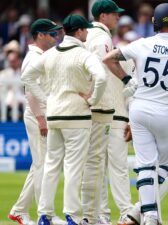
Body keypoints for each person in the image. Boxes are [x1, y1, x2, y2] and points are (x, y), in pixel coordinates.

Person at [103, 3, 168, 225]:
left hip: (140, 109)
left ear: (155, 22)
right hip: (167, 112)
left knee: (145, 164)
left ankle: (149, 216)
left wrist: (128, 80)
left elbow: (108, 59)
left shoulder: (142, 44)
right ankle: (146, 212)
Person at [21, 14, 108, 225]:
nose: (87, 32)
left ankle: (45, 214)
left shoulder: (50, 54)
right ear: (78, 32)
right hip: (77, 116)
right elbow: (102, 77)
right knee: (73, 167)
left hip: (55, 115)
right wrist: (92, 99)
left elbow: (27, 78)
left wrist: (47, 100)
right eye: (85, 30)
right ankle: (72, 214)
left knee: (51, 166)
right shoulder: (83, 54)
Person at [7, 18, 66, 225]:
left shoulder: (42, 55)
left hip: (40, 114)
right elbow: (29, 89)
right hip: (37, 115)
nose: (56, 37)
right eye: (52, 34)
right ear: (40, 35)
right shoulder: (34, 58)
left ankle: (19, 210)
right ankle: (46, 215)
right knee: (44, 165)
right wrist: (41, 118)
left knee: (40, 164)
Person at [81, 1, 133, 225]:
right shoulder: (101, 39)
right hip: (111, 110)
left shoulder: (87, 37)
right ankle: (124, 213)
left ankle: (100, 215)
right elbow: (104, 70)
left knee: (96, 165)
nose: (118, 18)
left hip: (96, 111)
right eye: (114, 14)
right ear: (103, 16)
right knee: (116, 167)